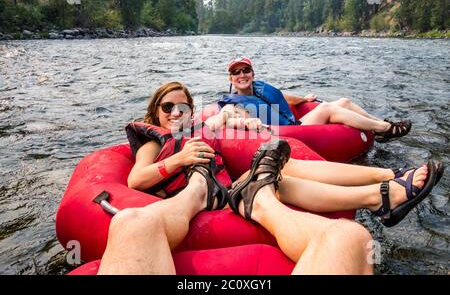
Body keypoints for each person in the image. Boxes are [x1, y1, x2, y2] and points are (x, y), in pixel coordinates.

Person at [98, 81, 442, 274]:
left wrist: (242, 123)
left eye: (182, 107)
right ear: (154, 113)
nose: (175, 112)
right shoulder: (153, 140)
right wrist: (179, 161)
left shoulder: (200, 128)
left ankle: (383, 188)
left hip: (226, 185)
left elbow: (234, 117)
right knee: (132, 222)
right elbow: (135, 181)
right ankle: (217, 188)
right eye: (167, 108)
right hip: (189, 193)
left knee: (284, 173)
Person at [218, 57, 412, 143]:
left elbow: (284, 98)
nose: (242, 75)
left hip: (295, 124)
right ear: (230, 78)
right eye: (236, 72)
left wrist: (305, 99)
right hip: (289, 134)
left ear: (252, 73)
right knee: (328, 108)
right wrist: (244, 122)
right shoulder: (232, 103)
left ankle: (381, 125)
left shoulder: (260, 87)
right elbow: (227, 117)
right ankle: (385, 129)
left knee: (344, 101)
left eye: (246, 70)